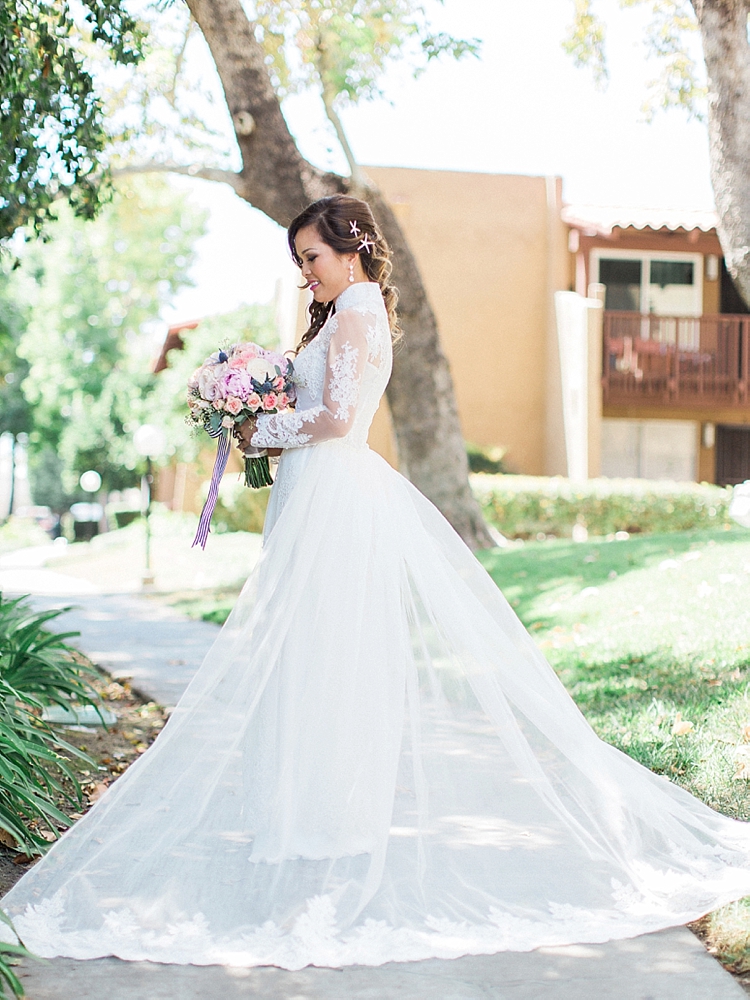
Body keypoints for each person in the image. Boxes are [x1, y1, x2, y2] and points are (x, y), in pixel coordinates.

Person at [3, 195, 750, 970]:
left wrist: (260, 427)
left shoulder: (357, 311)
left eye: (312, 258)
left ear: (350, 251)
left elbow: (335, 417)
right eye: (298, 262)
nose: (305, 274)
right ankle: (304, 819)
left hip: (336, 496)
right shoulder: (338, 314)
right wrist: (249, 399)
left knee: (328, 656)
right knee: (305, 659)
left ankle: (332, 826)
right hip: (310, 496)